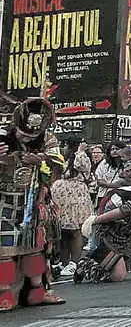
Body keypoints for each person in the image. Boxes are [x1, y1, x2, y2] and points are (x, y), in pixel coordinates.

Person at [0, 96, 65, 311]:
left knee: (35, 247)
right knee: (4, 249)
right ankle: (4, 294)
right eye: (23, 134)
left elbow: (59, 164)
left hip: (33, 199)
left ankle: (37, 291)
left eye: (32, 135)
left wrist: (42, 160)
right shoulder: (2, 135)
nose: (26, 138)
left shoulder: (48, 138)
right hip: (4, 199)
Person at [51, 146, 93, 279]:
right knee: (62, 230)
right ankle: (64, 262)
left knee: (76, 230)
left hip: (76, 195)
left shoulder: (82, 157)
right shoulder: (62, 157)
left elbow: (82, 166)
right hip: (61, 194)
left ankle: (74, 262)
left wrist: (80, 151)